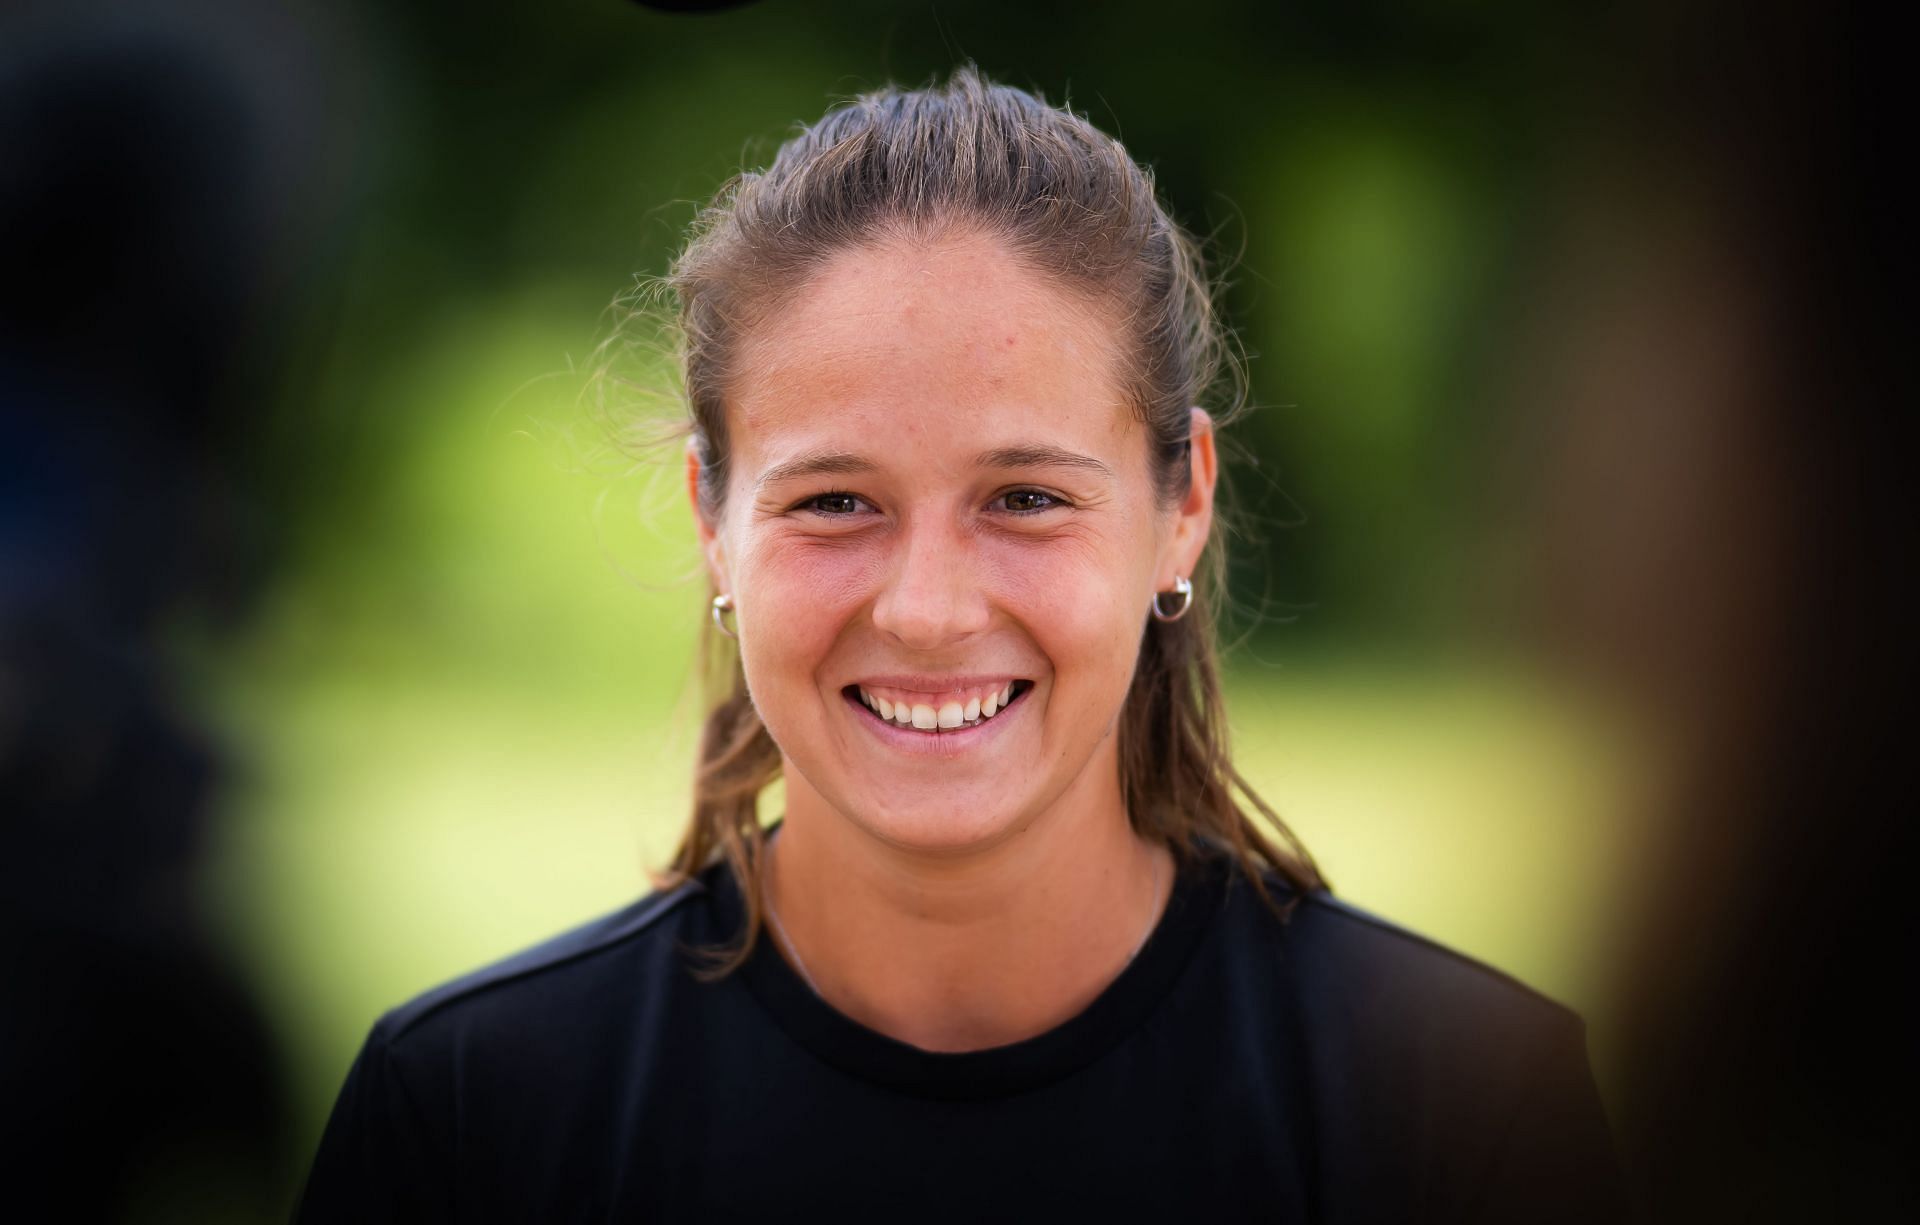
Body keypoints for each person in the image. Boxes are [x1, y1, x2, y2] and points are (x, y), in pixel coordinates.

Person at [294, 68, 1626, 1223]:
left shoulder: (1464, 1108)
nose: (928, 608)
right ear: (712, 516)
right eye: (835, 502)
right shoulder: (469, 1113)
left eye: (1027, 498)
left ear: (1184, 507)